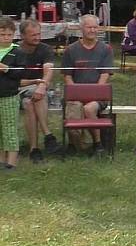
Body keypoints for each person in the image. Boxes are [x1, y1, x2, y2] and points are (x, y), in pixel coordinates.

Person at [62, 14, 114, 155]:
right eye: (88, 27)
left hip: (98, 95)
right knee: (75, 107)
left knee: (89, 109)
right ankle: (73, 144)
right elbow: (67, 76)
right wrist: (76, 93)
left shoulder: (106, 50)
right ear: (81, 28)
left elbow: (105, 75)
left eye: (95, 27)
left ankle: (97, 144)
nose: (92, 30)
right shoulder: (70, 50)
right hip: (76, 94)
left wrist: (93, 94)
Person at [16, 19, 61, 163]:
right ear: (22, 36)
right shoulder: (14, 51)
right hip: (19, 89)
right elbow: (14, 80)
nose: (37, 37)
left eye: (38, 34)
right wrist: (36, 83)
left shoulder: (45, 49)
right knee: (31, 98)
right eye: (32, 35)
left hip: (40, 90)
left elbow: (48, 70)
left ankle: (34, 150)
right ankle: (48, 135)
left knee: (30, 103)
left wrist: (42, 85)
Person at [0, 17, 26, 170]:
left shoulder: (17, 52)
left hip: (9, 95)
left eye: (9, 35)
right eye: (2, 35)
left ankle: (12, 162)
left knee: (9, 128)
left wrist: (7, 69)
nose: (5, 38)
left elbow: (21, 72)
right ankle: (1, 160)